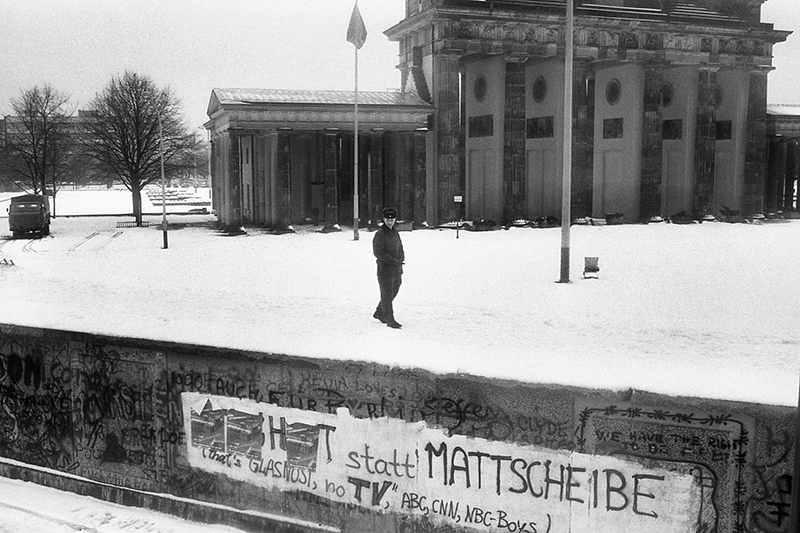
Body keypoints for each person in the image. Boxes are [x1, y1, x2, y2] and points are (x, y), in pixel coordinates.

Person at [372, 207, 404, 329]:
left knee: (395, 289)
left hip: (396, 269)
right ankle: (390, 319)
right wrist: (393, 261)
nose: (389, 222)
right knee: (386, 294)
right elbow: (378, 252)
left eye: (392, 220)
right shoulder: (380, 234)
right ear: (384, 220)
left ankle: (380, 312)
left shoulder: (395, 232)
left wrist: (401, 258)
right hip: (384, 269)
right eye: (387, 220)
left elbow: (400, 246)